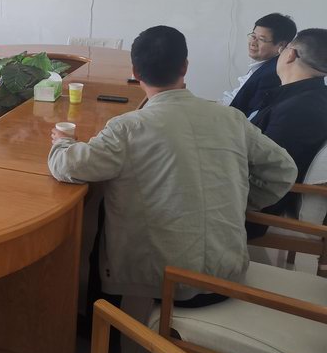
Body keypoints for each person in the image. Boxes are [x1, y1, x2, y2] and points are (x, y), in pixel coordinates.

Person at [48, 26, 296, 331]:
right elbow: (284, 170)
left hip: (172, 283)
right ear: (185, 67)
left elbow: (68, 166)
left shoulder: (128, 127)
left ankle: (101, 331)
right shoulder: (230, 118)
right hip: (230, 272)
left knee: (103, 210)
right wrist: (236, 197)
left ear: (135, 72)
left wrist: (61, 142)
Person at [247, 28, 327, 238]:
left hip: (251, 212)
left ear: (290, 54)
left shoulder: (300, 110)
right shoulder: (308, 97)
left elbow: (265, 171)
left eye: (284, 48)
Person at [223, 13, 297, 117]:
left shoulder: (272, 76)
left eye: (261, 39)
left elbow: (250, 118)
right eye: (253, 36)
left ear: (281, 45)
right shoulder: (265, 65)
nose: (253, 43)